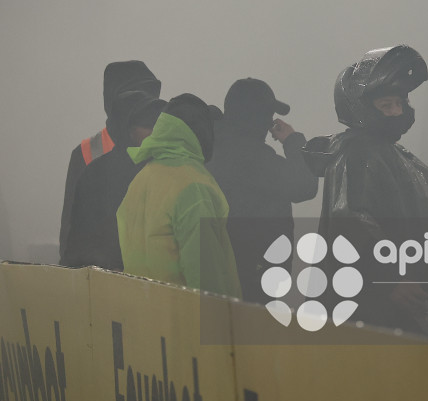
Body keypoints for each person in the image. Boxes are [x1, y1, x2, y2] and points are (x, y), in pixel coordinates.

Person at [303, 45, 428, 342]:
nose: (396, 112)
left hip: (408, 307)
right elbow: (351, 220)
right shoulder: (358, 153)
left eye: (399, 103)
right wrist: (391, 278)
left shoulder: (390, 154)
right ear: (359, 107)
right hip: (382, 314)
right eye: (386, 105)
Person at [116, 94, 242, 298]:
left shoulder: (142, 179)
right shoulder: (193, 186)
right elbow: (206, 275)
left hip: (144, 315)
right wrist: (221, 323)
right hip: (186, 322)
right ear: (198, 132)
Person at [206, 78, 317, 303]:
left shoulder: (212, 146)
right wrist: (293, 141)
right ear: (259, 118)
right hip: (254, 274)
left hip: (220, 265)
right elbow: (305, 186)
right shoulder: (253, 157)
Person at [59, 61, 161, 261]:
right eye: (135, 95)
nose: (143, 104)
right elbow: (70, 230)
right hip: (102, 273)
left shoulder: (162, 146)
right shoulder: (88, 151)